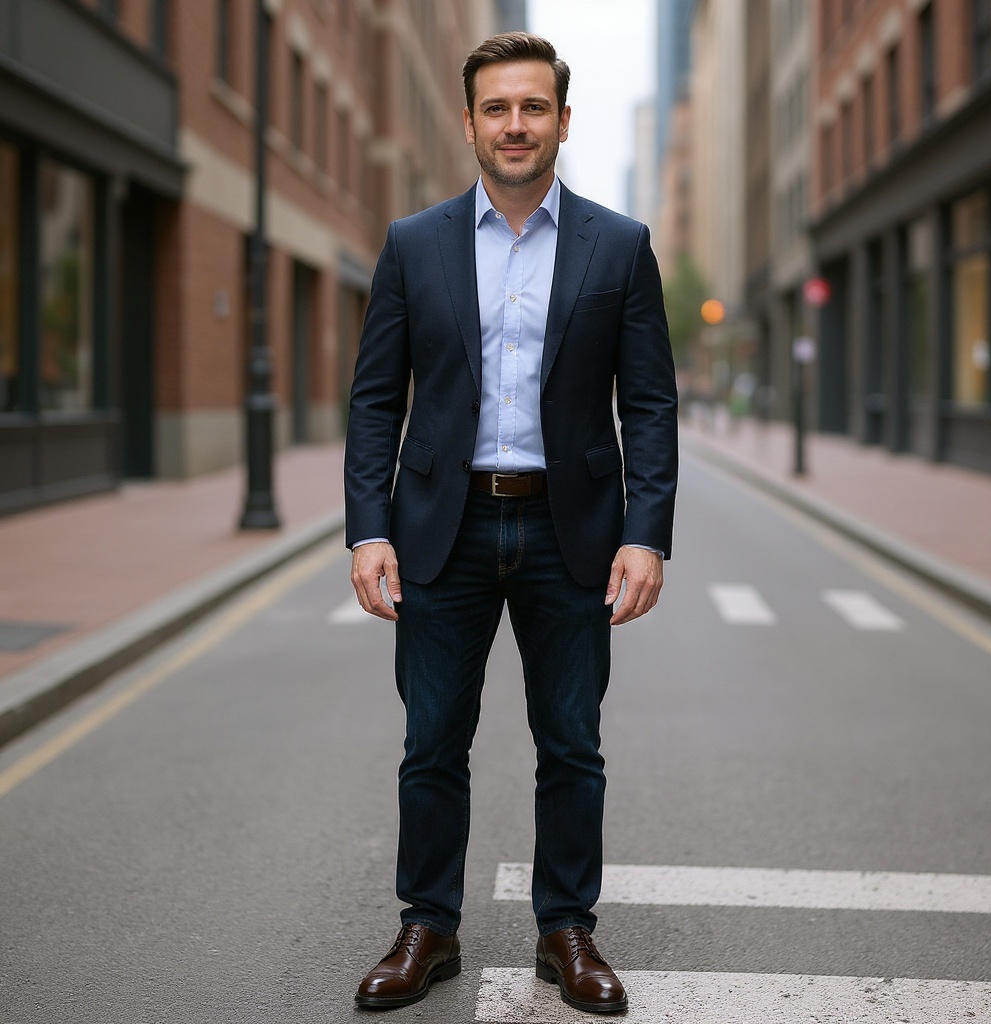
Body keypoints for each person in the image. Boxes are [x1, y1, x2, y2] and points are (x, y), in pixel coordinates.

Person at [345, 32, 678, 1014]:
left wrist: (646, 531)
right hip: (439, 529)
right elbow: (376, 400)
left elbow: (649, 403)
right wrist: (370, 528)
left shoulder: (619, 246)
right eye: (497, 108)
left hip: (569, 533)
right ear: (470, 123)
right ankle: (427, 925)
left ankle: (565, 928)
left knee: (571, 741)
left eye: (533, 107)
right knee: (431, 740)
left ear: (562, 121)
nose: (516, 124)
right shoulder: (414, 244)